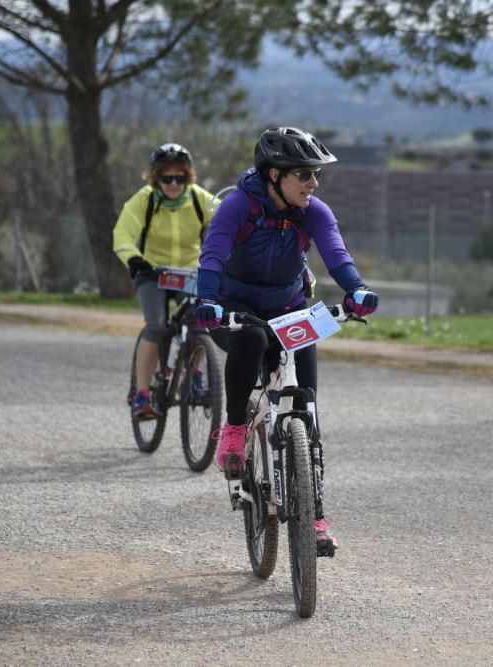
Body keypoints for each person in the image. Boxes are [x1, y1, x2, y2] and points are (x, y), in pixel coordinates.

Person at [193, 126, 378, 553]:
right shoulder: (239, 205)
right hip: (232, 309)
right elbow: (214, 253)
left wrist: (358, 290)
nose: (313, 184)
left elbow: (336, 254)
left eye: (316, 175)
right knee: (253, 341)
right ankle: (236, 428)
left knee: (306, 405)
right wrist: (206, 300)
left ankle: (314, 515)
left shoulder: (313, 210)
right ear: (274, 174)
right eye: (304, 174)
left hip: (290, 305)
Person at [113, 143, 219, 420]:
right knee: (157, 326)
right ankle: (142, 395)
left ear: (188, 178)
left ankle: (194, 375)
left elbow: (228, 222)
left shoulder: (199, 199)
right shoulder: (144, 200)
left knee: (200, 323)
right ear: (155, 179)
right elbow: (122, 235)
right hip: (153, 272)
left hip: (189, 273)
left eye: (180, 178)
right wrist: (134, 259)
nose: (173, 184)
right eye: (166, 178)